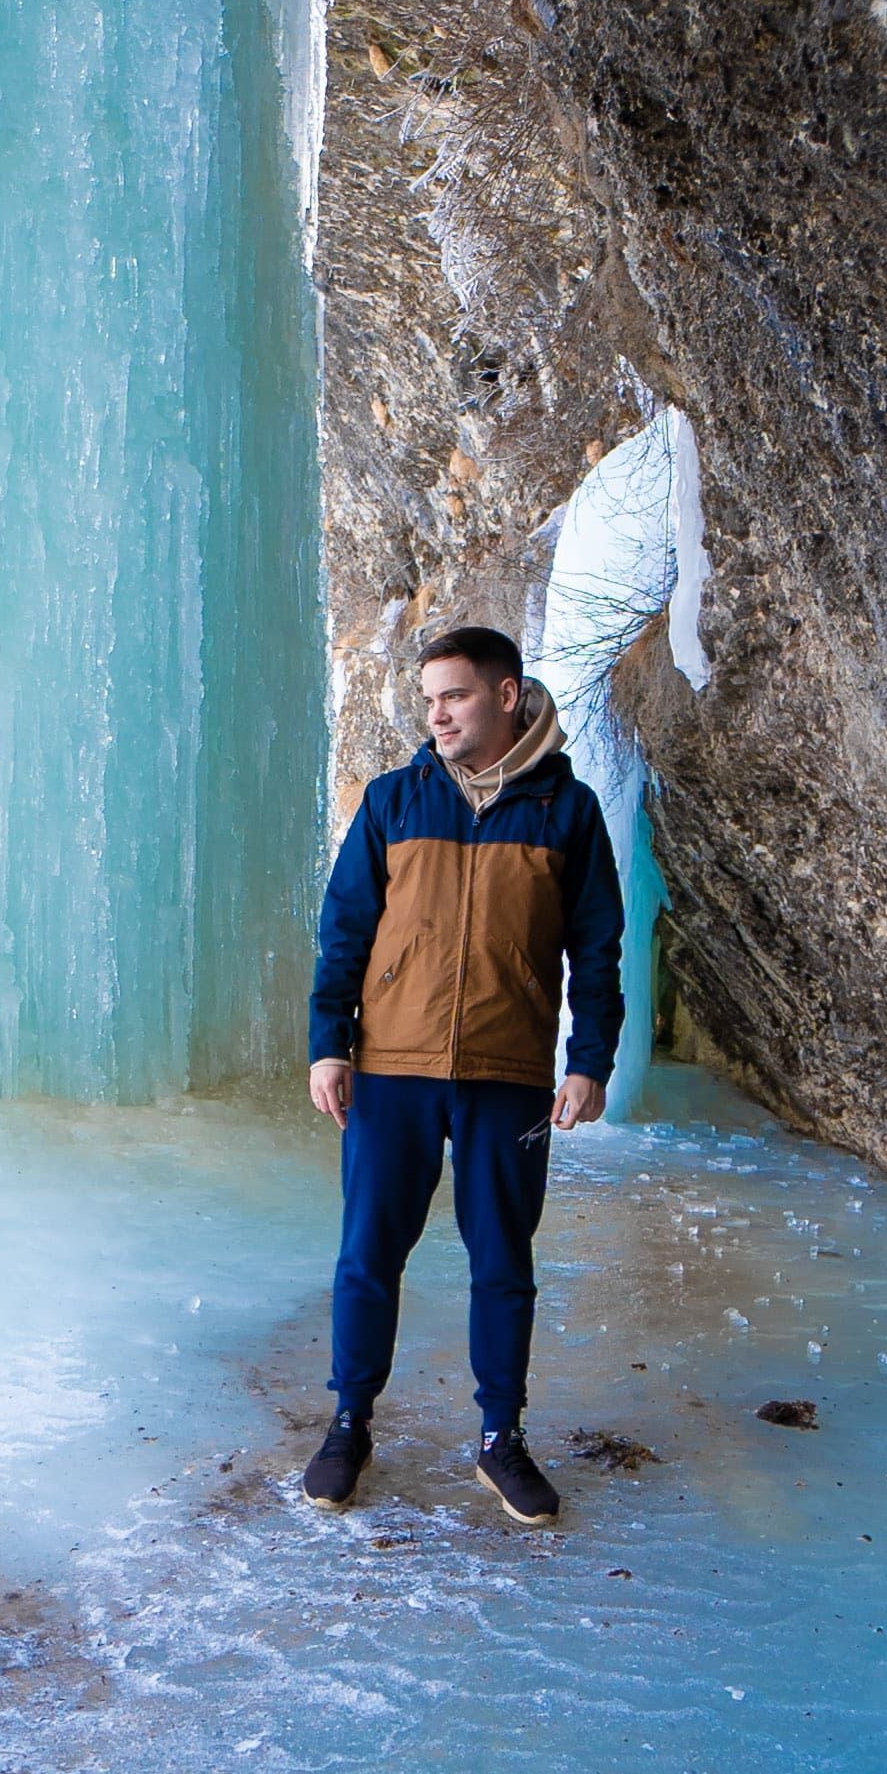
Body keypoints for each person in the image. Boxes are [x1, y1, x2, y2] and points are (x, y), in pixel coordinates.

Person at [302, 626, 624, 1523]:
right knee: (368, 1255)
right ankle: (349, 1421)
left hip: (508, 1072)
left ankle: (499, 1438)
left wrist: (588, 1061)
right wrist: (331, 1043)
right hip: (392, 1068)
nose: (437, 713)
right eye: (430, 699)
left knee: (503, 1262)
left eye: (456, 695)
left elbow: (597, 949)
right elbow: (345, 932)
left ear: (508, 695)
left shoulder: (569, 813)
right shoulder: (393, 803)